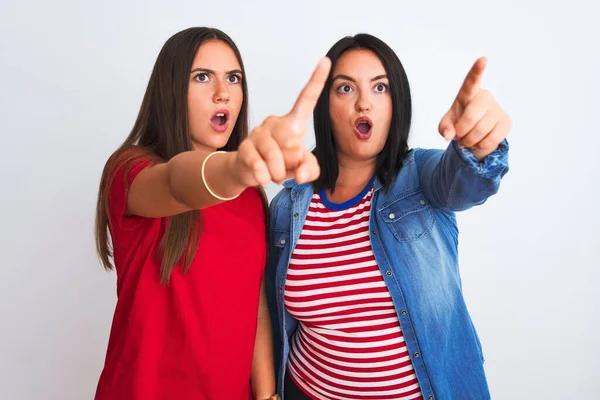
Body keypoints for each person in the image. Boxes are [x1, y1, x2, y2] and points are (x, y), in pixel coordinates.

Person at [266, 33, 511, 400]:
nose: (364, 102)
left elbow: (465, 183)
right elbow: (274, 318)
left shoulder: (422, 177)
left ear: (396, 102)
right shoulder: (289, 204)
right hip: (305, 389)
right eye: (345, 89)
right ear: (325, 107)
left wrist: (479, 146)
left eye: (379, 87)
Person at [94, 26, 331, 400]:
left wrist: (268, 395)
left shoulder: (252, 198)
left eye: (233, 78)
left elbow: (255, 307)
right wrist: (234, 169)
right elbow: (175, 181)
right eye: (202, 77)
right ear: (171, 89)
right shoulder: (129, 171)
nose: (223, 93)